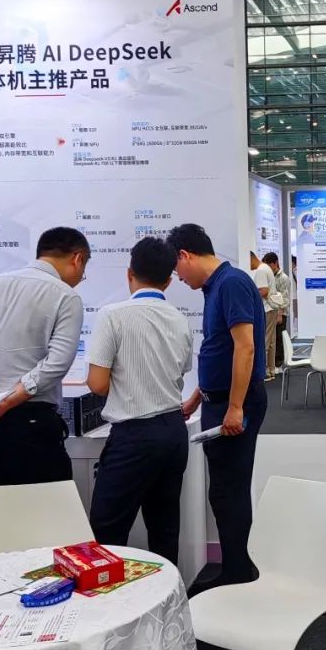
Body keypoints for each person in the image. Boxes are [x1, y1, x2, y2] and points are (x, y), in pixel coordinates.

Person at [0, 227, 89, 516]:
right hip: (31, 425)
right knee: (47, 522)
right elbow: (57, 363)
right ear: (77, 259)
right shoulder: (65, 296)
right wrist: (8, 401)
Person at [169, 224, 268, 594]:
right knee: (224, 490)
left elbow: (246, 347)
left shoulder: (231, 283)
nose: (179, 278)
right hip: (220, 400)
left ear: (186, 255)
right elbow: (221, 349)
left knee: (229, 490)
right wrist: (198, 396)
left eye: (178, 269)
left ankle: (238, 573)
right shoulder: (217, 287)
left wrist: (236, 407)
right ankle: (235, 568)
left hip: (234, 403)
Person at [85, 237, 194, 566]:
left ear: (129, 273)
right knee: (164, 527)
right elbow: (180, 370)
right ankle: (168, 594)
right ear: (169, 280)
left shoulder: (113, 315)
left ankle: (109, 598)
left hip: (134, 436)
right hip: (173, 431)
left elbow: (97, 384)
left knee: (107, 528)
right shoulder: (179, 319)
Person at [250, 251, 278, 381]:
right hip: (271, 308)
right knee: (271, 341)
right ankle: (271, 370)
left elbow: (263, 291)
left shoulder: (261, 270)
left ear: (252, 258)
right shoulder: (266, 268)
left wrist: (251, 294)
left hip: (266, 309)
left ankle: (265, 371)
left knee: (264, 341)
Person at [263, 252, 292, 369]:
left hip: (280, 313)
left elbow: (285, 298)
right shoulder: (268, 276)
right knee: (270, 339)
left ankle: (278, 365)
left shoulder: (283, 278)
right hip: (269, 312)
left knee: (279, 338)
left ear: (275, 263)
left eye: (269, 265)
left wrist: (280, 314)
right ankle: (271, 364)